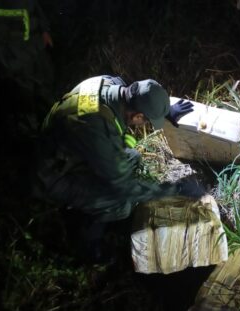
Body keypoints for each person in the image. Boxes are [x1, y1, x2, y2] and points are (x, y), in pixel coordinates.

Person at [33, 75, 203, 264]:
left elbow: (143, 98)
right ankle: (88, 243)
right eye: (146, 121)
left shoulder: (111, 84)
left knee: (134, 156)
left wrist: (164, 112)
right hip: (54, 174)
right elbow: (126, 187)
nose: (144, 124)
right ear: (137, 116)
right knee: (122, 204)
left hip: (74, 150)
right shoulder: (94, 125)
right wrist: (177, 190)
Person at [0, 0, 55, 135]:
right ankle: (30, 137)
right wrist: (2, 55)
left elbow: (35, 6)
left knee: (45, 91)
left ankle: (51, 130)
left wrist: (44, 29)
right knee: (22, 99)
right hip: (11, 54)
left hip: (35, 48)